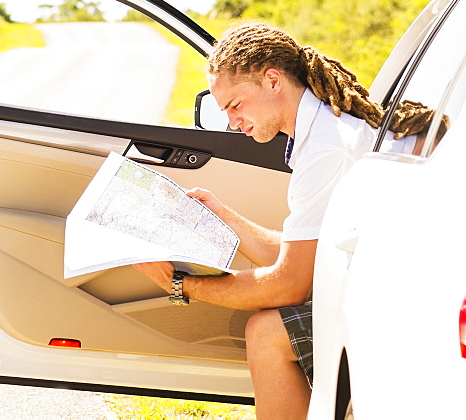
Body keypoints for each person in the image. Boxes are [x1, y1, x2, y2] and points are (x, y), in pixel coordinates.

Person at [133, 21, 437, 420]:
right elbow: (310, 256)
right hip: (385, 276)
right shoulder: (322, 130)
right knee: (269, 328)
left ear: (272, 80)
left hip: (410, 300)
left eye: (236, 105)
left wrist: (180, 285)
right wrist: (223, 217)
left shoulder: (326, 147)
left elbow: (291, 284)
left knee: (267, 332)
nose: (233, 123)